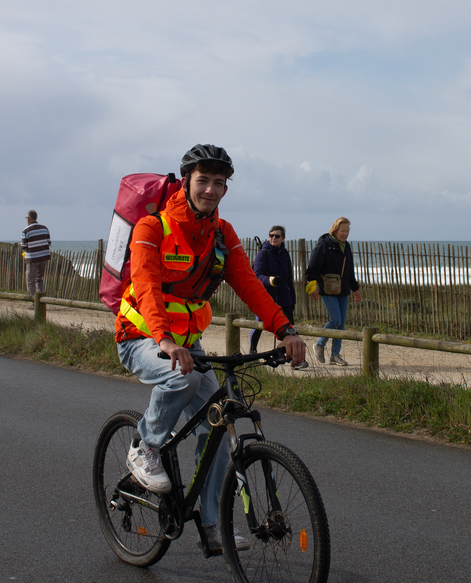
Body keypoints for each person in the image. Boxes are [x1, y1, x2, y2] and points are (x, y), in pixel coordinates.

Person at [115, 144, 306, 555]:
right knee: (180, 378)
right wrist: (165, 340)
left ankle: (212, 525)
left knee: (218, 426)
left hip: (188, 345)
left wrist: (284, 328)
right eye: (203, 180)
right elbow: (146, 287)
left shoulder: (222, 234)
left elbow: (249, 285)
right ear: (186, 182)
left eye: (219, 183)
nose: (211, 189)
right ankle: (145, 447)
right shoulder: (153, 227)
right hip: (141, 337)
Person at [304, 217, 362, 365]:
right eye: (342, 231)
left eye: (347, 231)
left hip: (343, 289)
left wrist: (355, 289)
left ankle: (335, 355)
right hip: (328, 288)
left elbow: (349, 270)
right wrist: (313, 286)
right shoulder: (324, 245)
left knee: (340, 324)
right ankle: (319, 344)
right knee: (335, 319)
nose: (345, 234)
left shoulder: (346, 246)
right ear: (335, 230)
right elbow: (312, 268)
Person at [249, 225, 297, 354]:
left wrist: (292, 300)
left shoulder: (285, 254)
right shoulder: (262, 253)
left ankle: (291, 356)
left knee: (290, 328)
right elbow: (257, 275)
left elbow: (289, 279)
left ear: (283, 238)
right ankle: (252, 351)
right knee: (259, 326)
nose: (273, 238)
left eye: (277, 236)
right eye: (271, 235)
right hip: (266, 296)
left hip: (284, 296)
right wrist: (271, 280)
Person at [21, 210, 51, 308]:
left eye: (26, 218)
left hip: (33, 258)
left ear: (29, 218)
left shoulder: (26, 230)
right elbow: (49, 242)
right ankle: (41, 301)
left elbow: (24, 246)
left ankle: (35, 303)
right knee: (39, 279)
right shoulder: (45, 228)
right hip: (43, 257)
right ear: (36, 218)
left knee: (30, 281)